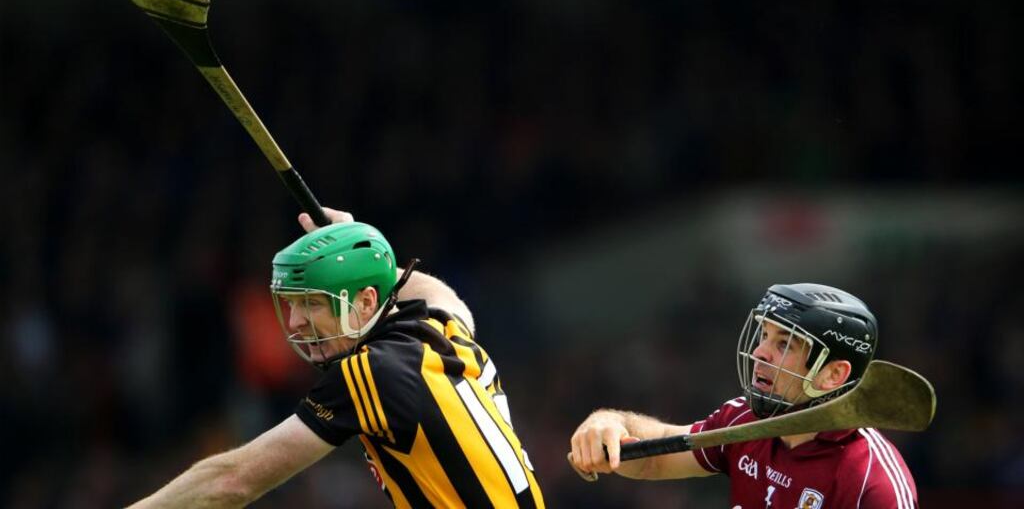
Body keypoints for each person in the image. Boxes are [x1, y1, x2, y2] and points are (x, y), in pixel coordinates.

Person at [130, 208, 544, 508]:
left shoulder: (373, 372)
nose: (294, 323)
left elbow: (233, 482)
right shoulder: (442, 330)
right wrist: (362, 252)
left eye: (312, 303)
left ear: (366, 301)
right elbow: (445, 297)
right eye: (291, 304)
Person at [569, 283, 919, 508]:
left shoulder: (873, 482)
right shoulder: (743, 421)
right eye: (764, 335)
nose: (759, 353)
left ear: (833, 374)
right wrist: (609, 423)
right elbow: (653, 457)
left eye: (784, 344)